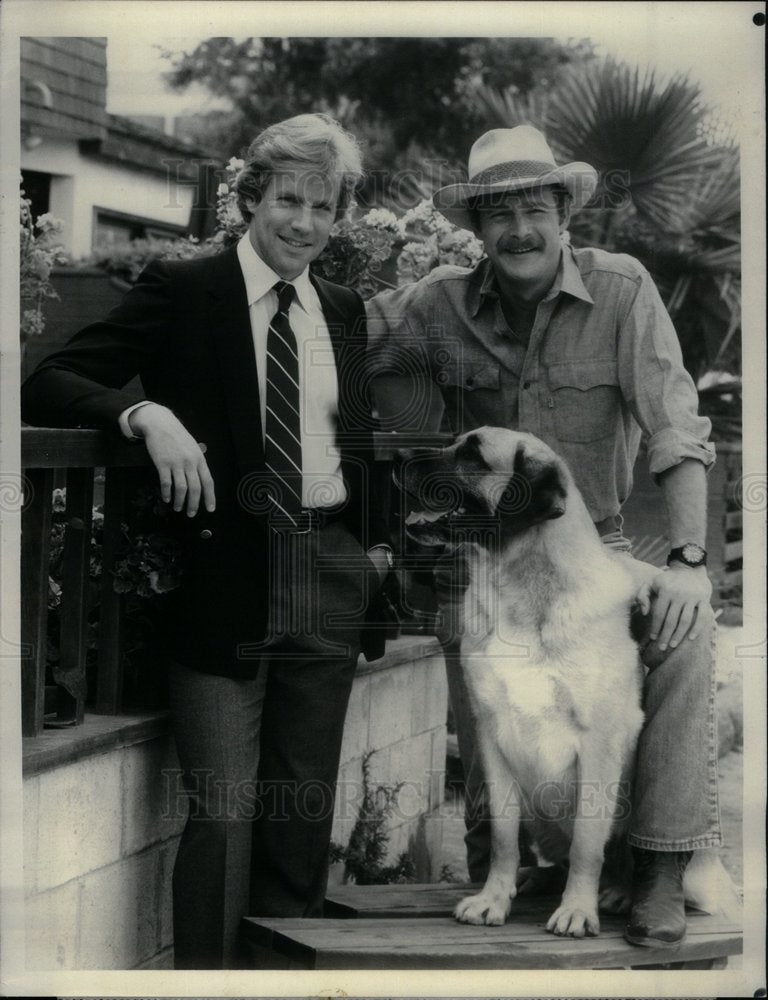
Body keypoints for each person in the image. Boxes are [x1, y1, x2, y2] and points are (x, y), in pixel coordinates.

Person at [21, 113, 396, 969]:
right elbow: (49, 379)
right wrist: (143, 413)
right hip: (222, 580)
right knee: (223, 812)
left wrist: (370, 554)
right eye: (288, 199)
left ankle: (278, 977)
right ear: (251, 198)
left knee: (301, 807)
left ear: (339, 215)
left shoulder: (341, 307)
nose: (304, 221)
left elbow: (359, 441)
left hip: (326, 576)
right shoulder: (185, 289)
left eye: (323, 205)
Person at [366, 125, 721, 948]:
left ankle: (663, 866)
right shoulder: (437, 301)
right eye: (499, 214)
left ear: (564, 214)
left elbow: (676, 431)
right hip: (487, 553)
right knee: (479, 647)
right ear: (478, 228)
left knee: (688, 629)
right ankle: (510, 865)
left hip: (599, 549)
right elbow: (350, 334)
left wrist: (693, 563)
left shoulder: (623, 289)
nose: (518, 229)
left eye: (535, 208)